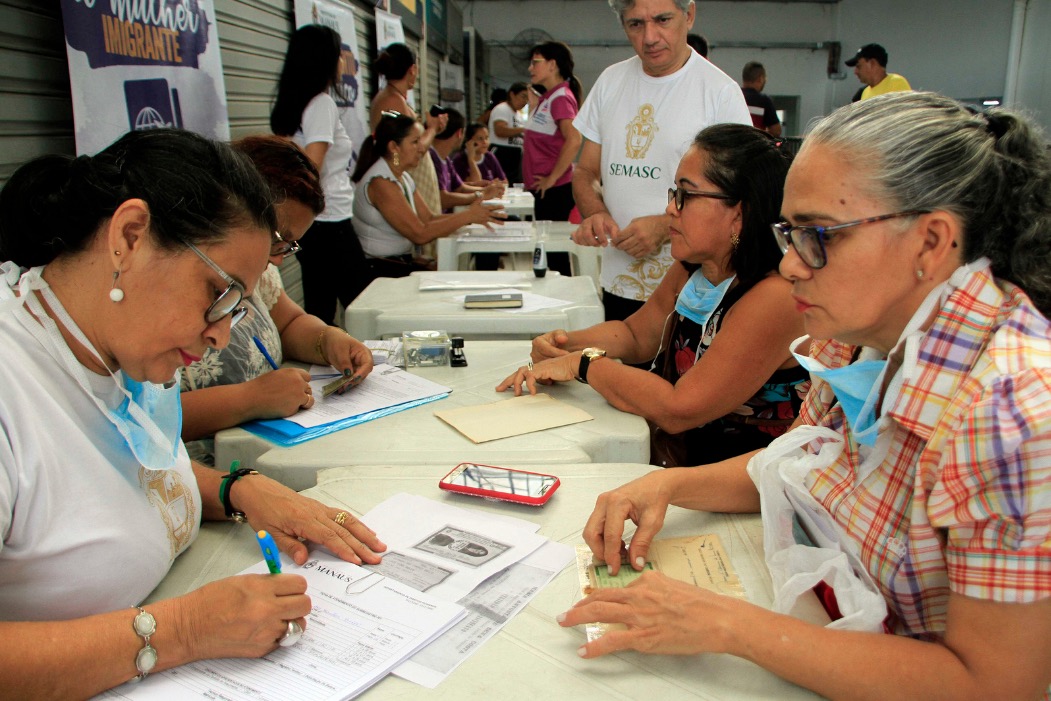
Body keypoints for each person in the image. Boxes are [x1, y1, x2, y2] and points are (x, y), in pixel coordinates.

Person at [559, 92, 1051, 699]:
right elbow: (795, 464)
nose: (790, 266)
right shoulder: (855, 335)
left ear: (930, 243)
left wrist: (729, 625)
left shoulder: (1013, 410)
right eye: (788, 235)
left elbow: (995, 684)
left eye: (817, 236)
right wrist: (667, 486)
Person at [0, 128, 386, 698]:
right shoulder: (14, 380)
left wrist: (236, 489)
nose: (220, 336)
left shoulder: (117, 346)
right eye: (218, 293)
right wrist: (181, 631)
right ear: (130, 236)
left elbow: (128, 469)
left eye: (238, 305)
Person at [498, 124, 806, 467]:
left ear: (739, 213)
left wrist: (583, 363)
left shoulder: (776, 297)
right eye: (674, 193)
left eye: (686, 195)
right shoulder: (695, 267)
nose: (671, 208)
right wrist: (563, 344)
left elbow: (679, 408)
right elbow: (636, 335)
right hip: (686, 463)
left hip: (743, 479)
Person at [180, 135, 375, 465]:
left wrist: (328, 339)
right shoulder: (171, 288)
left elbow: (288, 322)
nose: (278, 259)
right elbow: (143, 416)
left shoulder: (260, 269)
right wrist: (249, 399)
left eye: (290, 246)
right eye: (279, 239)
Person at [572, 0, 751, 322]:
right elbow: (585, 171)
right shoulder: (610, 81)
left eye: (662, 20)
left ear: (689, 15)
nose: (650, 37)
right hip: (619, 277)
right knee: (622, 348)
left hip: (693, 283)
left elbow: (739, 194)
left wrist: (664, 226)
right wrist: (595, 212)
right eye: (635, 24)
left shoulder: (719, 92)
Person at [270, 24, 371, 325]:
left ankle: (321, 353)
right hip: (329, 221)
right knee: (361, 304)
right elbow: (311, 166)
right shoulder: (321, 103)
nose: (342, 62)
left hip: (315, 223)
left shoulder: (295, 104)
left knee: (321, 304)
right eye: (339, 55)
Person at [351, 112, 505, 279]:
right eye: (415, 142)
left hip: (398, 263)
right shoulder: (381, 182)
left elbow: (428, 219)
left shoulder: (402, 176)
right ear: (394, 147)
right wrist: (468, 216)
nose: (422, 148)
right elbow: (420, 233)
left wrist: (471, 217)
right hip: (381, 270)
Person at [369, 42, 445, 217]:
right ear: (412, 69)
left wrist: (429, 129)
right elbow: (412, 147)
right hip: (407, 177)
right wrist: (432, 129)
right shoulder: (392, 100)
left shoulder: (393, 97)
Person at [429, 109, 506, 212]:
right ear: (460, 133)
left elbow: (460, 187)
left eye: (486, 138)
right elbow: (442, 199)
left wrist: (487, 190)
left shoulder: (445, 159)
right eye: (480, 138)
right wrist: (481, 194)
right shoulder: (432, 158)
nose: (484, 142)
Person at [488, 83, 529, 184]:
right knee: (500, 182)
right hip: (501, 151)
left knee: (512, 184)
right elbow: (500, 131)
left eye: (527, 98)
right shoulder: (502, 109)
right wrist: (522, 130)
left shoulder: (518, 115)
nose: (525, 101)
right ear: (512, 94)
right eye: (523, 96)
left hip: (515, 153)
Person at [846, 43, 911, 101]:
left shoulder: (896, 82)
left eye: (859, 66)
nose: (855, 72)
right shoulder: (865, 92)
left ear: (872, 63)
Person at [741, 61, 782, 137]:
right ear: (760, 79)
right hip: (755, 142)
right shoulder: (764, 101)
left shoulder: (734, 96)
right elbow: (776, 131)